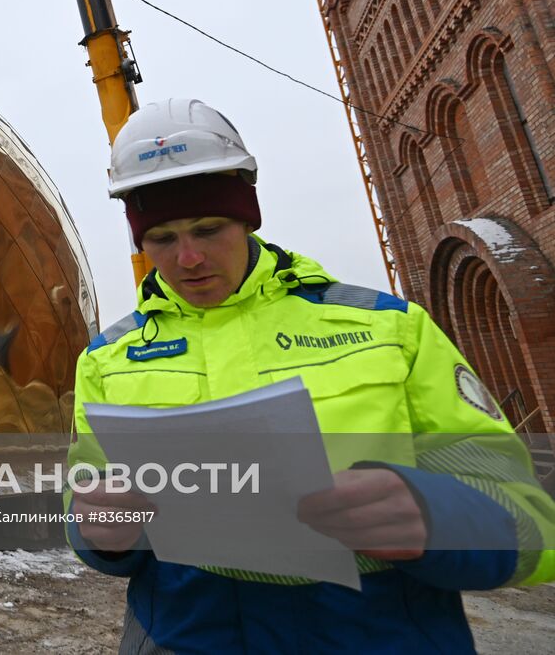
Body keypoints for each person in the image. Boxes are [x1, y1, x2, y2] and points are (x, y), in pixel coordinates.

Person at [66, 97, 555, 653]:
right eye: (162, 239)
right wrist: (100, 532)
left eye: (208, 229)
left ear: (247, 218)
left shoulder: (387, 329)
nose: (189, 258)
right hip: (186, 632)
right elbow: (86, 507)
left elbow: (530, 524)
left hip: (375, 632)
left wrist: (429, 514)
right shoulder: (108, 359)